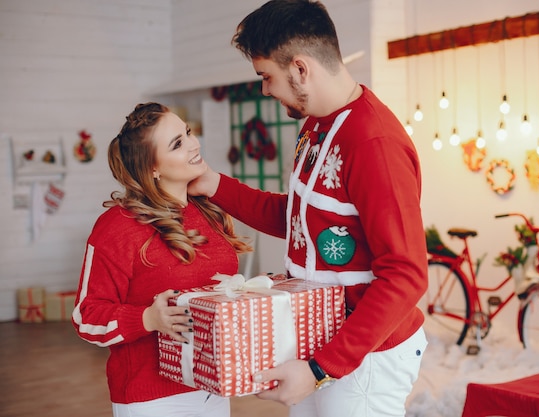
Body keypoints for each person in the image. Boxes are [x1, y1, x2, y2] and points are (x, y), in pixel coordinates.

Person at [187, 1, 429, 416]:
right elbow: (299, 221)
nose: (265, 89)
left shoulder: (374, 143)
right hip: (322, 342)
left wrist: (321, 368)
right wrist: (216, 186)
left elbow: (406, 276)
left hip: (365, 356)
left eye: (267, 77)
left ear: (300, 69)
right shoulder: (316, 125)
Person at [72, 102, 251, 417]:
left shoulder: (207, 210)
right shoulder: (117, 226)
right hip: (152, 398)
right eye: (178, 144)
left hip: (213, 387)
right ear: (152, 167)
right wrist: (147, 319)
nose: (194, 144)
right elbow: (87, 316)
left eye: (188, 133)